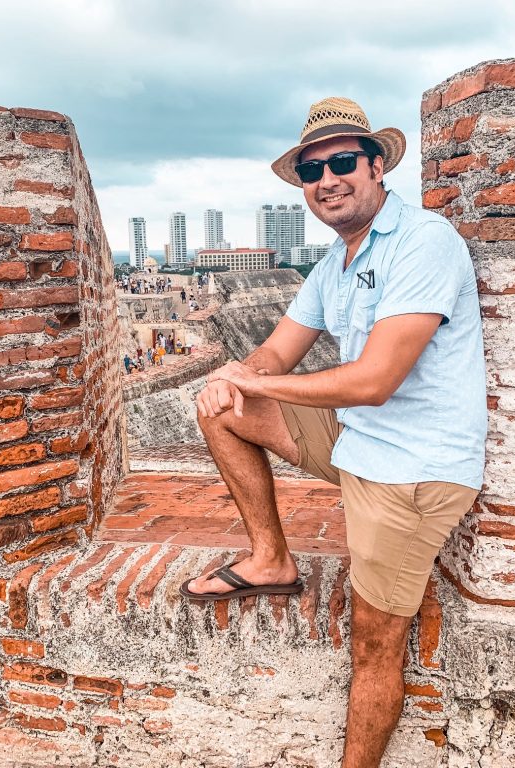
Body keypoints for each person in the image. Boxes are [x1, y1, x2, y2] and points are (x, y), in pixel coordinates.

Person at [180, 97, 486, 768]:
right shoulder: (335, 262)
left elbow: (375, 380)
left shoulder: (423, 241)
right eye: (312, 170)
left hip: (412, 468)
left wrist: (256, 382)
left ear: (377, 166)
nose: (327, 180)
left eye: (343, 161)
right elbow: (276, 354)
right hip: (358, 440)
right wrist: (239, 374)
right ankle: (270, 559)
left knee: (374, 643)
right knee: (218, 408)